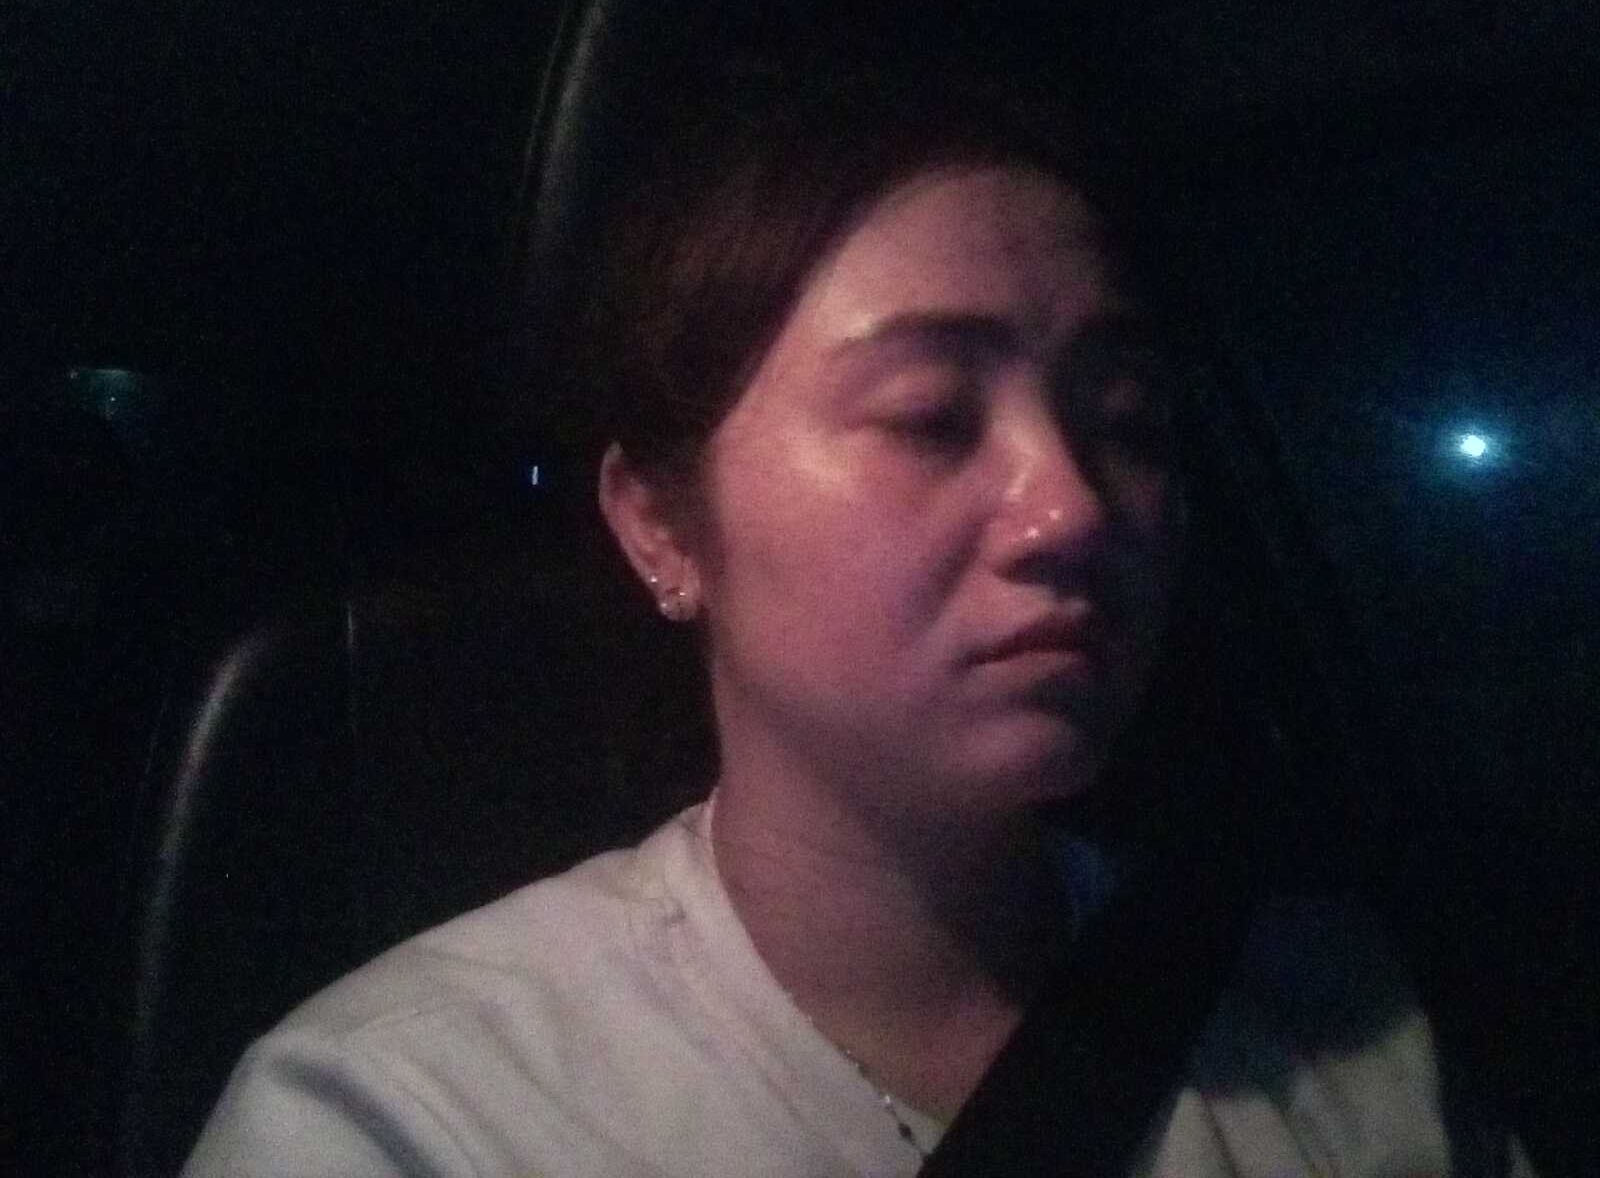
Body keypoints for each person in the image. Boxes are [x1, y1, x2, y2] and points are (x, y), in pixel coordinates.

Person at [182, 79, 1535, 1177]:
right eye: (931, 417)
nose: (1072, 508)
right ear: (659, 525)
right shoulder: (413, 1119)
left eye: (1124, 420)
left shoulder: (1340, 1035)